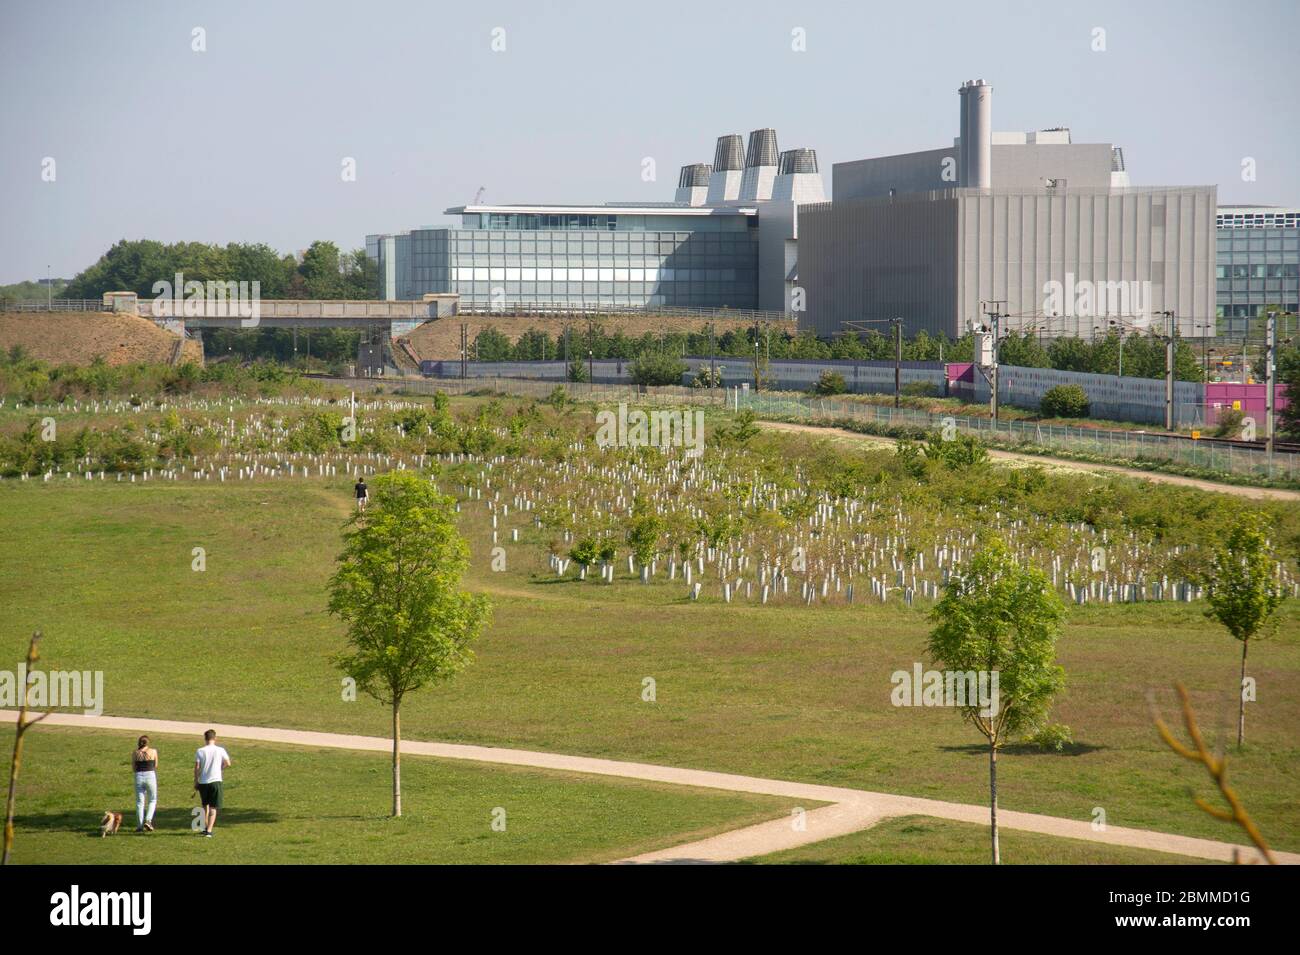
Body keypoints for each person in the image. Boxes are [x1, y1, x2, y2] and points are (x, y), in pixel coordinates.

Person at [193, 729, 231, 838]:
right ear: (215, 738)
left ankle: (205, 828)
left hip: (204, 782)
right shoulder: (220, 750)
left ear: (205, 738)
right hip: (216, 781)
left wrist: (196, 781)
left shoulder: (200, 751)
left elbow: (196, 768)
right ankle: (209, 830)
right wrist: (220, 769)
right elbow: (228, 763)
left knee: (205, 806)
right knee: (213, 807)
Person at [131, 735, 158, 832]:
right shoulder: (153, 751)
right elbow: (156, 765)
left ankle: (139, 826)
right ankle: (148, 820)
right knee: (152, 799)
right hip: (150, 775)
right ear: (148, 742)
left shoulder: (135, 753)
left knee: (139, 802)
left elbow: (134, 767)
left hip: (138, 776)